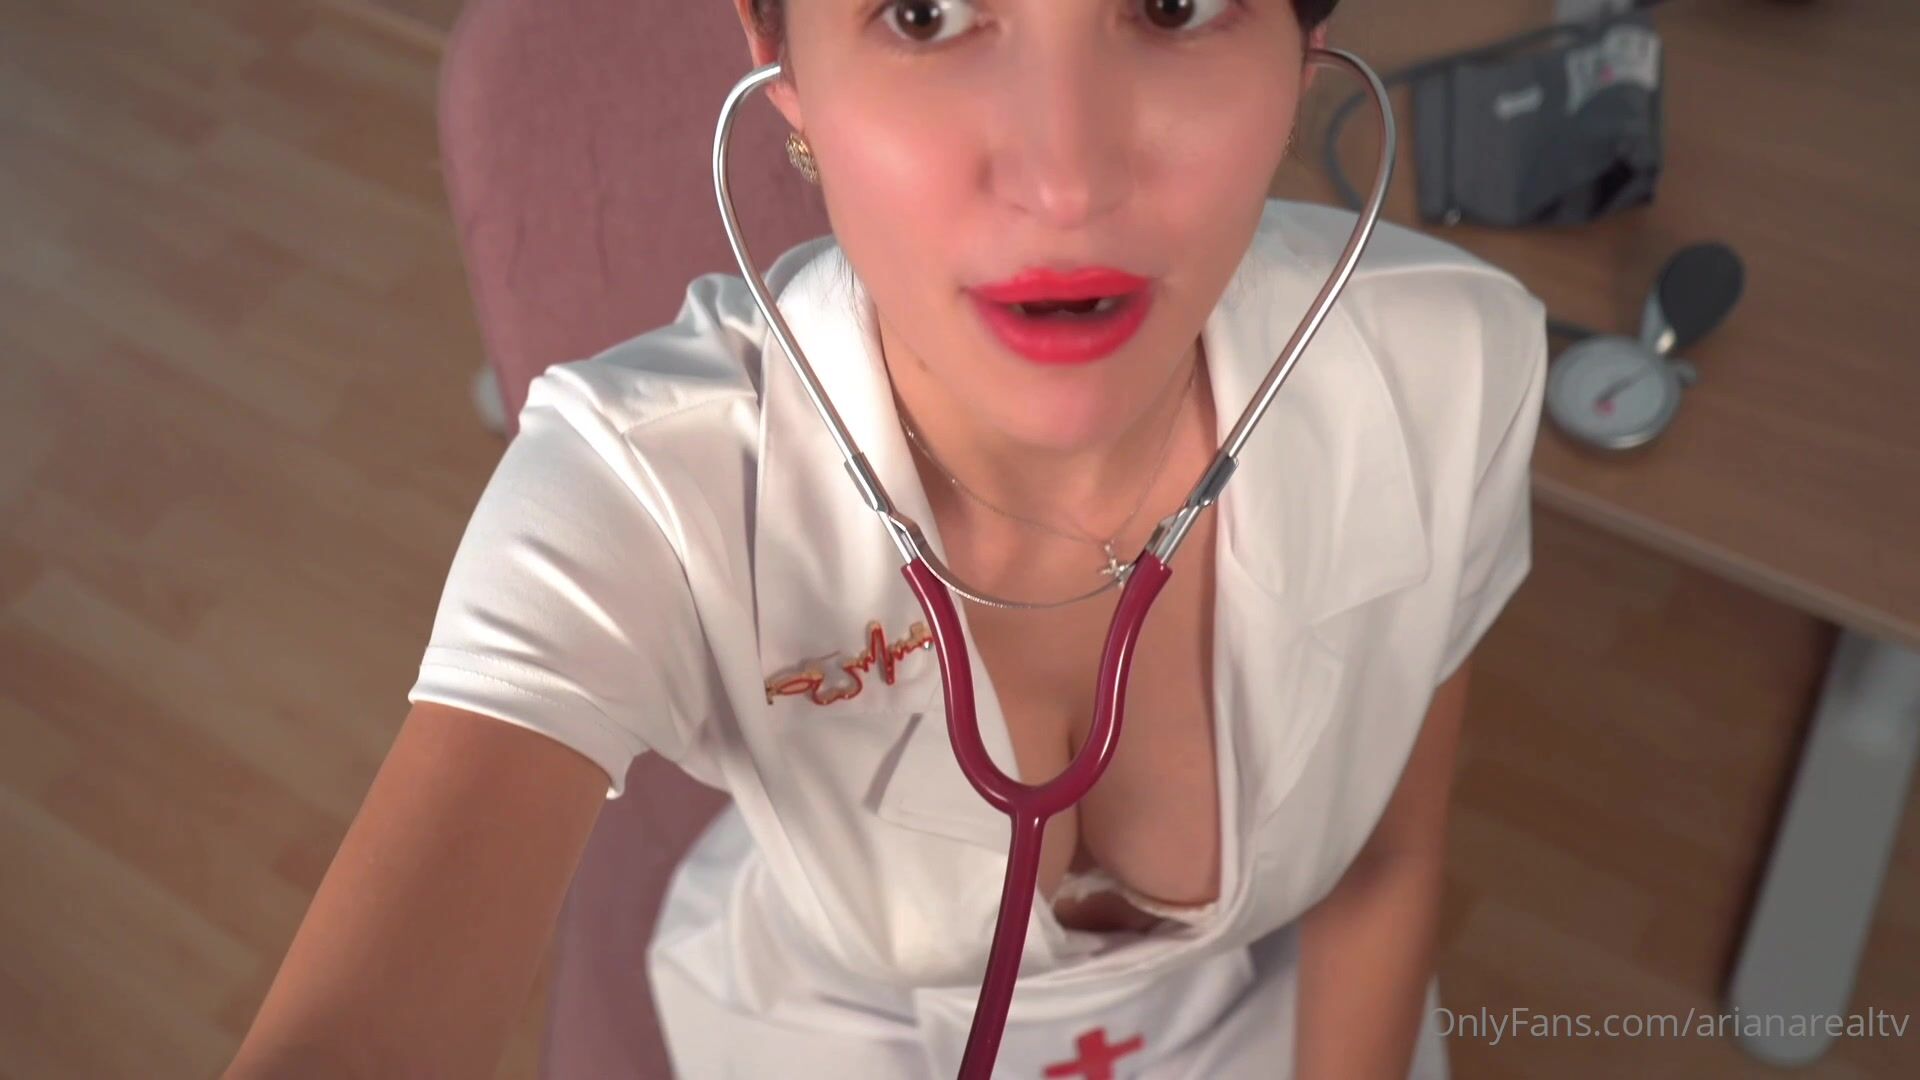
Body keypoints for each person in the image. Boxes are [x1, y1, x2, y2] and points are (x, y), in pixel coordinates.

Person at [228, 0, 1547, 1076]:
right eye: (926, 12)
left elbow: (1386, 864)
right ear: (777, 52)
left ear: (1307, 48)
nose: (1065, 181)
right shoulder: (644, 486)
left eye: (1173, 3)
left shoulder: (1453, 371)